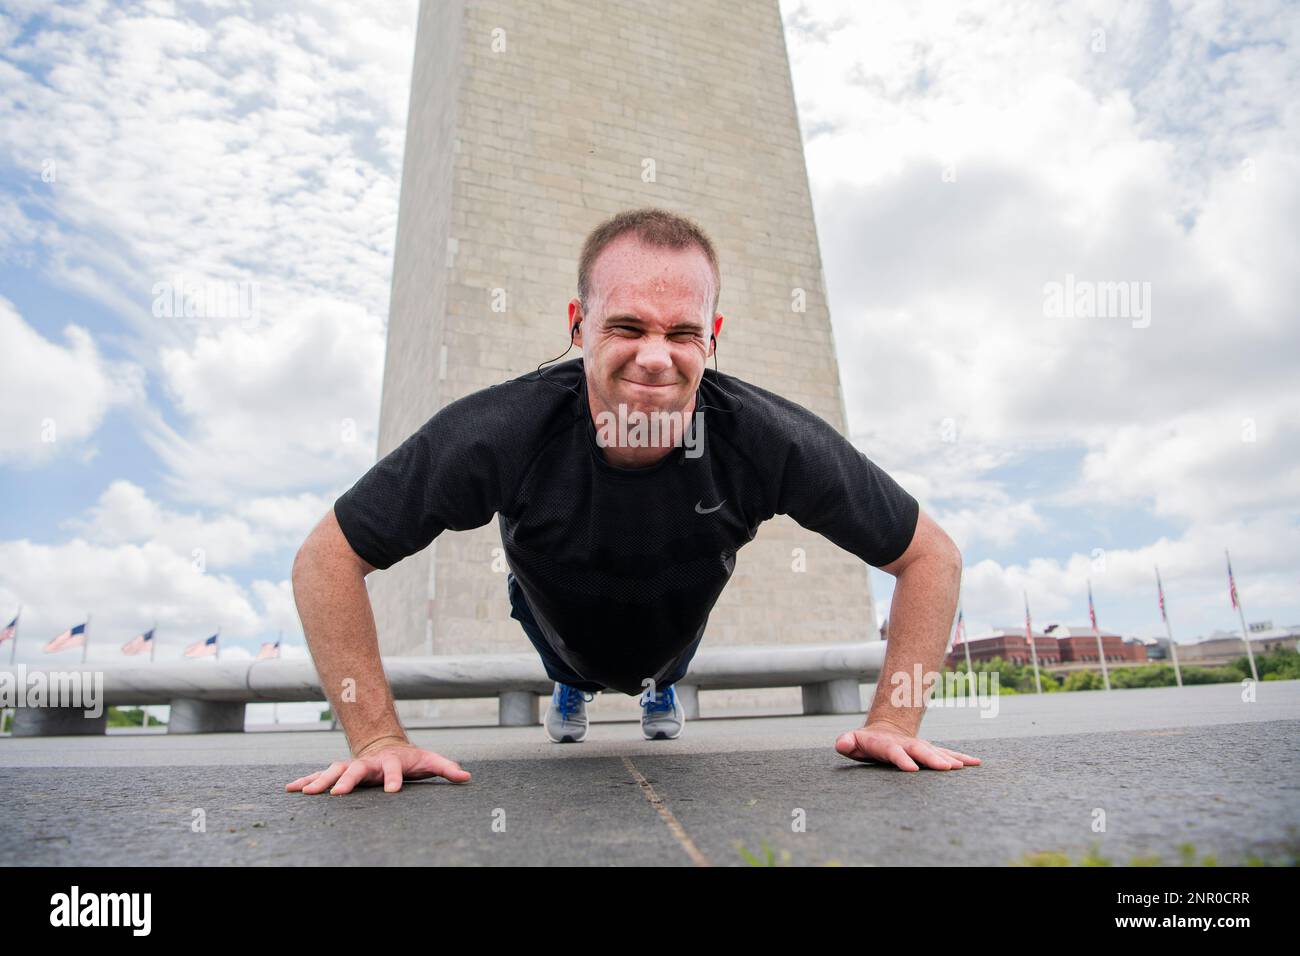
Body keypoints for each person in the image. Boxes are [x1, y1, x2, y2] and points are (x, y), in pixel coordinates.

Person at [287, 207, 979, 797]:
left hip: (672, 628)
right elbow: (327, 558)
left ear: (713, 338)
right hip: (556, 620)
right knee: (570, 663)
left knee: (660, 661)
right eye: (627, 327)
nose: (655, 356)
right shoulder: (496, 433)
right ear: (578, 325)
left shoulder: (766, 439)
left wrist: (894, 721)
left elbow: (930, 556)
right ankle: (570, 686)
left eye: (682, 333)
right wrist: (375, 734)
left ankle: (656, 687)